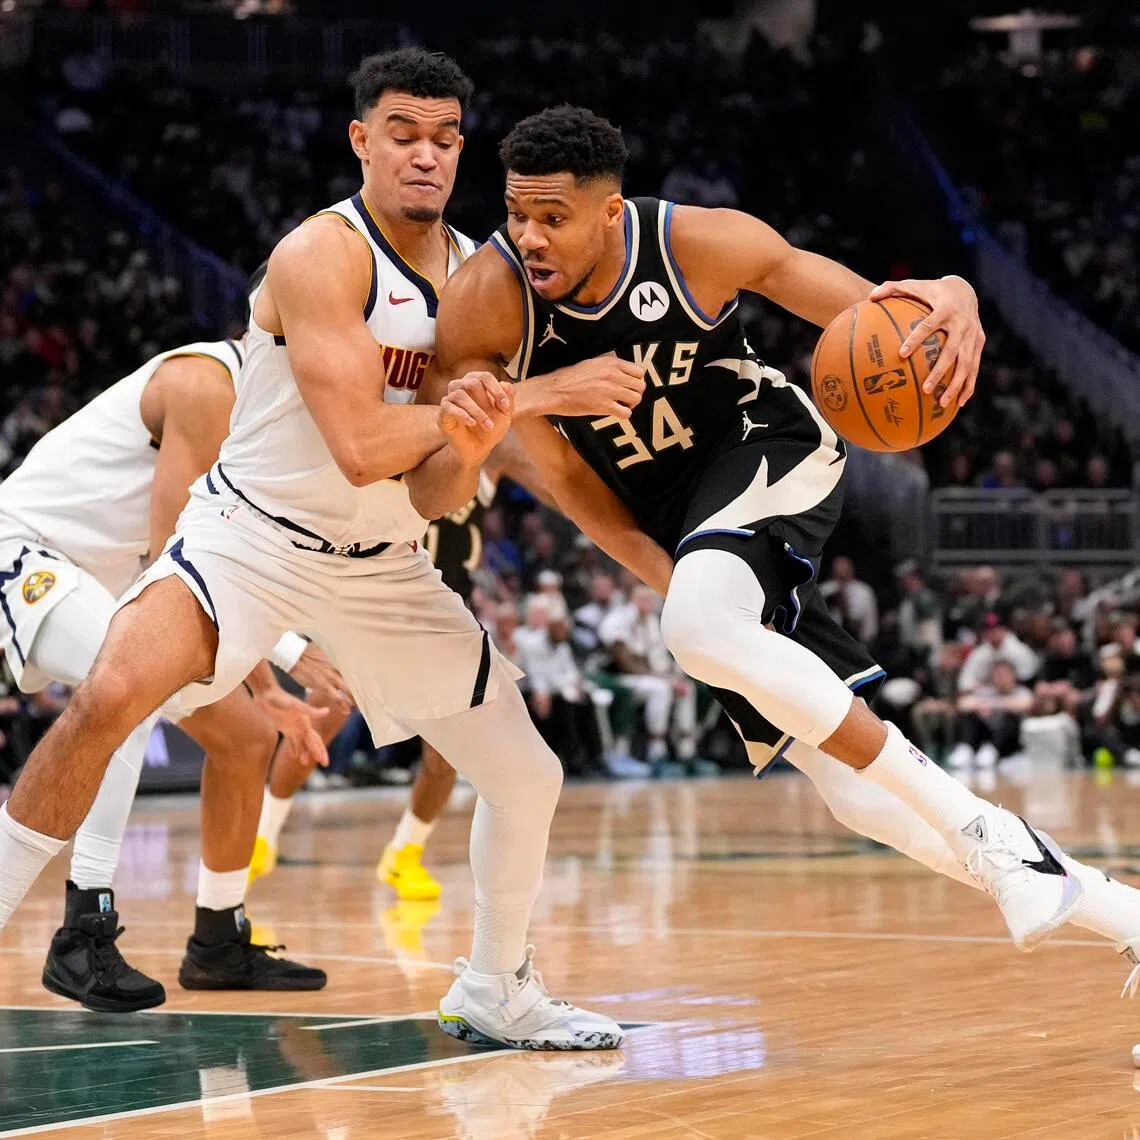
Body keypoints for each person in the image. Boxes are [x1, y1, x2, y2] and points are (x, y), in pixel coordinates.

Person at [0, 50, 638, 1051]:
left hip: (381, 563)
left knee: (530, 775)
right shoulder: (321, 254)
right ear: (362, 142)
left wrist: (480, 442)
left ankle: (496, 989)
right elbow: (356, 445)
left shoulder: (483, 283)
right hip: (248, 539)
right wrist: (540, 396)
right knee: (112, 693)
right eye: (402, 134)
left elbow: (430, 485)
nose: (425, 156)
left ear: (461, 149)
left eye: (444, 138)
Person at [433, 104, 1140, 979]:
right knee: (858, 797)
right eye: (514, 214)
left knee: (696, 630)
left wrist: (952, 292)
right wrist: (565, 407)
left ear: (610, 213)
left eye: (552, 217)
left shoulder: (698, 243)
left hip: (765, 447)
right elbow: (576, 491)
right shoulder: (484, 306)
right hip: (678, 531)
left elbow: (876, 313)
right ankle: (1126, 916)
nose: (527, 237)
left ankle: (988, 832)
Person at [0, 332, 331, 1011]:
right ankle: (83, 927)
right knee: (129, 684)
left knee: (245, 738)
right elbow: (173, 554)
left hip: (98, 580)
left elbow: (221, 571)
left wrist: (265, 692)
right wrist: (289, 653)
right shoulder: (208, 384)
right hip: (25, 549)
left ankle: (219, 939)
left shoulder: (261, 422)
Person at [250, 433, 550, 904]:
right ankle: (263, 835)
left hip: (439, 615)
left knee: (450, 753)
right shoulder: (406, 430)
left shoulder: (501, 449)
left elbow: (556, 482)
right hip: (371, 598)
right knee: (324, 717)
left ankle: (405, 853)